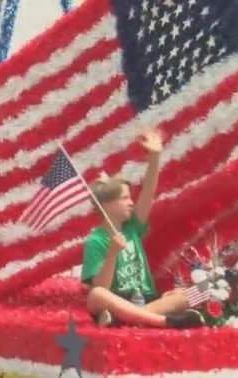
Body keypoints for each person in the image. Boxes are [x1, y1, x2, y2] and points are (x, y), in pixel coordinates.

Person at [80, 129, 205, 329]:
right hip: (115, 302)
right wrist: (112, 254)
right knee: (96, 296)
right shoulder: (96, 240)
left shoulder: (132, 227)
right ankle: (163, 321)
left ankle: (126, 320)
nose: (131, 203)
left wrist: (154, 157)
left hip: (143, 300)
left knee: (196, 292)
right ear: (107, 205)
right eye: (125, 198)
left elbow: (148, 191)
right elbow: (100, 287)